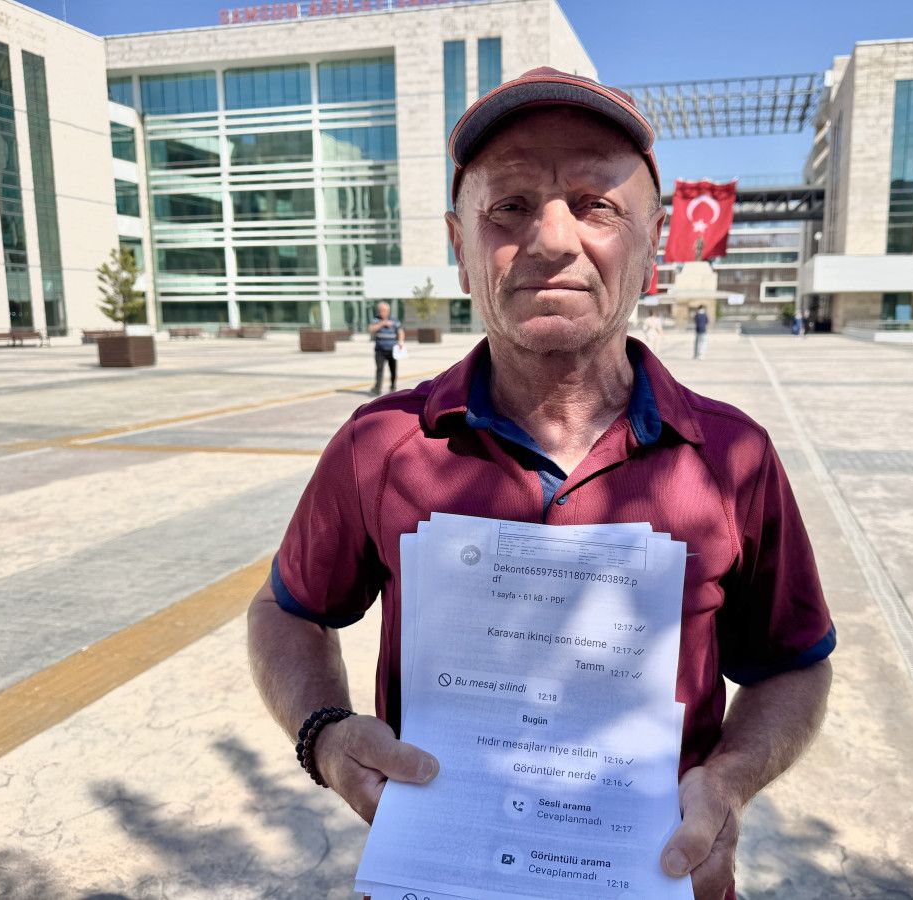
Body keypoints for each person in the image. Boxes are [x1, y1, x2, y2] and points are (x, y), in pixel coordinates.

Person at [248, 67, 834, 900]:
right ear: (460, 248)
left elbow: (793, 663)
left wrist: (731, 780)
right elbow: (287, 608)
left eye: (595, 204)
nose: (553, 239)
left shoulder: (733, 456)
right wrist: (325, 733)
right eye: (510, 206)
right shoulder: (380, 445)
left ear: (653, 244)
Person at [367, 301, 405, 395]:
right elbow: (371, 329)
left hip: (392, 350)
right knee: (379, 369)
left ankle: (393, 386)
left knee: (393, 369)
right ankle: (377, 389)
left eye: (384, 310)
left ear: (388, 311)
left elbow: (400, 331)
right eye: (380, 310)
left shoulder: (394, 320)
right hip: (380, 350)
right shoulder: (376, 320)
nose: (382, 312)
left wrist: (401, 341)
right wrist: (382, 323)